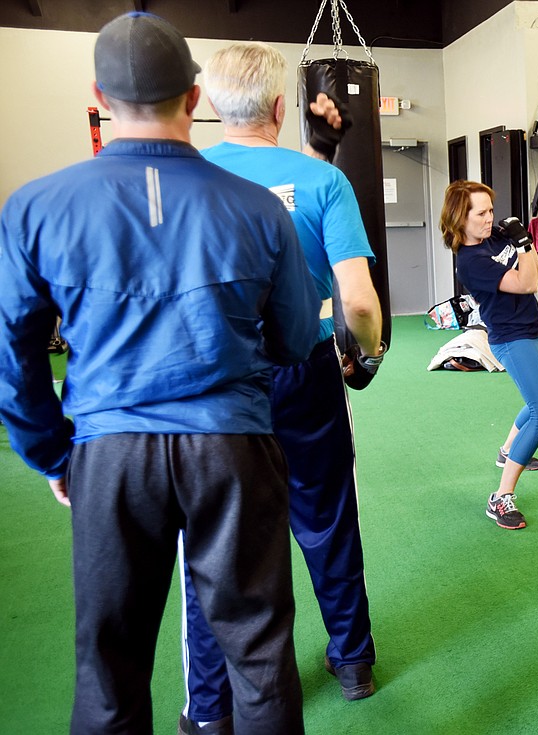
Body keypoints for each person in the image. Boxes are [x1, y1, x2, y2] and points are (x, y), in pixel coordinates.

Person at [0, 12, 319, 734]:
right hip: (232, 449)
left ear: (97, 95)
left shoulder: (34, 208)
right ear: (196, 95)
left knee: (108, 665)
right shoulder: (260, 209)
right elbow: (298, 338)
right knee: (259, 652)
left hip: (109, 456)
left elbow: (12, 355)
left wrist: (53, 453)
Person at [174, 42, 386, 733]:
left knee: (216, 537)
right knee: (324, 513)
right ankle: (353, 659)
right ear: (278, 107)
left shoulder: (182, 177)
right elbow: (357, 301)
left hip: (215, 375)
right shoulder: (321, 180)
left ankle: (213, 703)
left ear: (204, 105)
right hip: (304, 365)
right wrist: (369, 353)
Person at [441, 181, 538, 530]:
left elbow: (532, 271)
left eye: (491, 210)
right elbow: (526, 283)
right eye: (481, 213)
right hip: (511, 337)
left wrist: (526, 241)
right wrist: (523, 245)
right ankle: (501, 498)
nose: (489, 218)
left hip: (532, 328)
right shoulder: (471, 262)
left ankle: (507, 449)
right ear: (461, 218)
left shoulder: (493, 239)